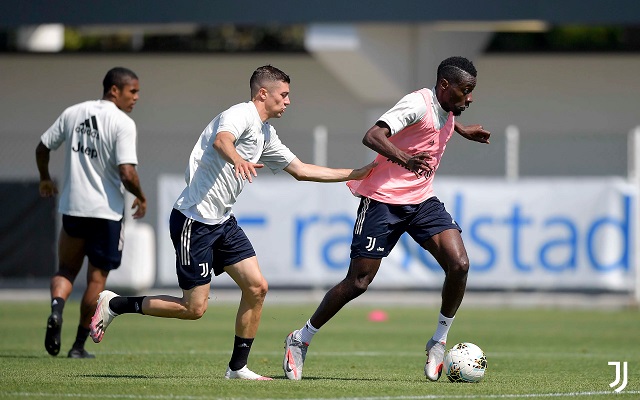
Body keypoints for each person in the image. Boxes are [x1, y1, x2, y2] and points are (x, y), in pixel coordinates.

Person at [89, 65, 375, 380]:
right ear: (263, 93)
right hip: (193, 220)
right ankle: (116, 303)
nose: (288, 101)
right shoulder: (240, 114)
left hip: (223, 222)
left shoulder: (266, 133)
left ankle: (237, 368)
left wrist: (355, 173)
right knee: (193, 309)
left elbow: (302, 170)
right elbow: (221, 141)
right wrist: (237, 158)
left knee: (257, 287)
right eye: (284, 95)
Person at [282, 56, 491, 381]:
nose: (470, 98)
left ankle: (438, 341)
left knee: (460, 264)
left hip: (421, 200)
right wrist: (407, 159)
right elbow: (373, 136)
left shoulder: (448, 110)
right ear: (445, 86)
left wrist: (462, 130)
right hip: (383, 200)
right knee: (359, 281)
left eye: (472, 91)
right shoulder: (416, 104)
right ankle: (301, 338)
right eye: (465, 91)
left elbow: (439, 121)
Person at [36, 67, 147, 359]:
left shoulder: (73, 112)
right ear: (115, 90)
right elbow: (126, 172)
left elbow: (42, 147)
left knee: (66, 270)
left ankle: (56, 310)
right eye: (132, 91)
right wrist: (141, 196)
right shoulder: (122, 123)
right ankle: (77, 346)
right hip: (107, 213)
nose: (136, 97)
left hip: (73, 207)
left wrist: (45, 178)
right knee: (96, 281)